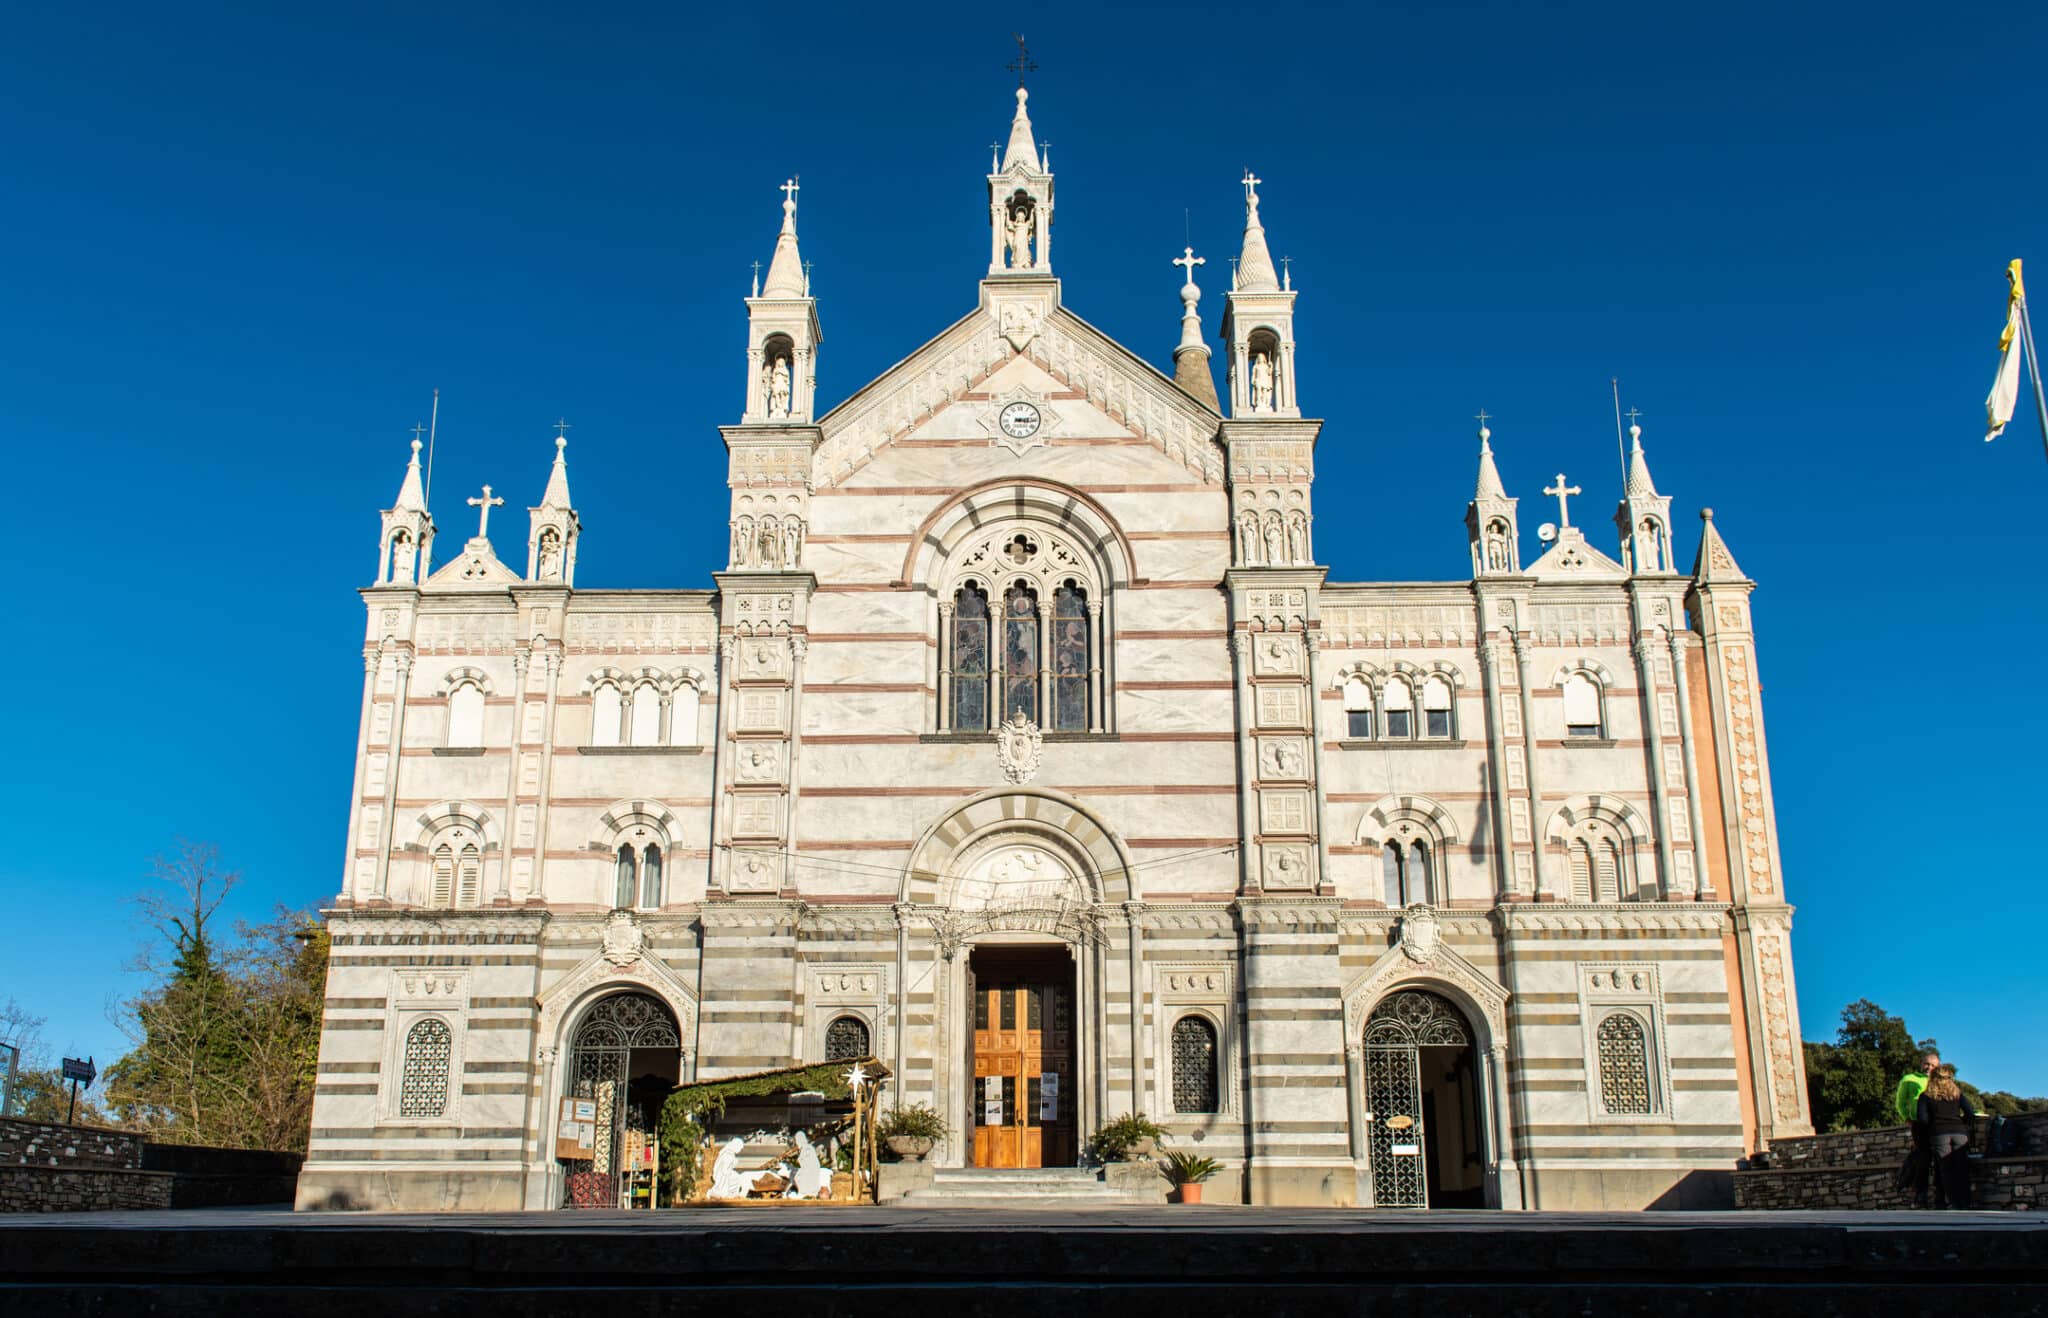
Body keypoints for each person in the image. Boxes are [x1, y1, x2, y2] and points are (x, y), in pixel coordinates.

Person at [1916, 1064, 1978, 1209]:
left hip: (1939, 1133)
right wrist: (1962, 1124)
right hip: (1959, 1132)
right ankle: (1966, 1202)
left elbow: (1922, 1119)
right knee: (1962, 1168)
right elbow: (1970, 1112)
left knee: (1946, 1169)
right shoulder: (1957, 1094)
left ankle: (1954, 1202)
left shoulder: (1926, 1096)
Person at [1893, 1050, 1939, 1207]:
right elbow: (1900, 1101)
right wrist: (1907, 1117)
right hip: (1919, 1124)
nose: (1929, 1067)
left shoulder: (1940, 1081)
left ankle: (1940, 1196)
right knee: (1923, 1160)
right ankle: (1921, 1196)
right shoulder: (1909, 1079)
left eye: (1933, 1065)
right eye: (1927, 1063)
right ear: (1921, 1064)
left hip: (1937, 1124)